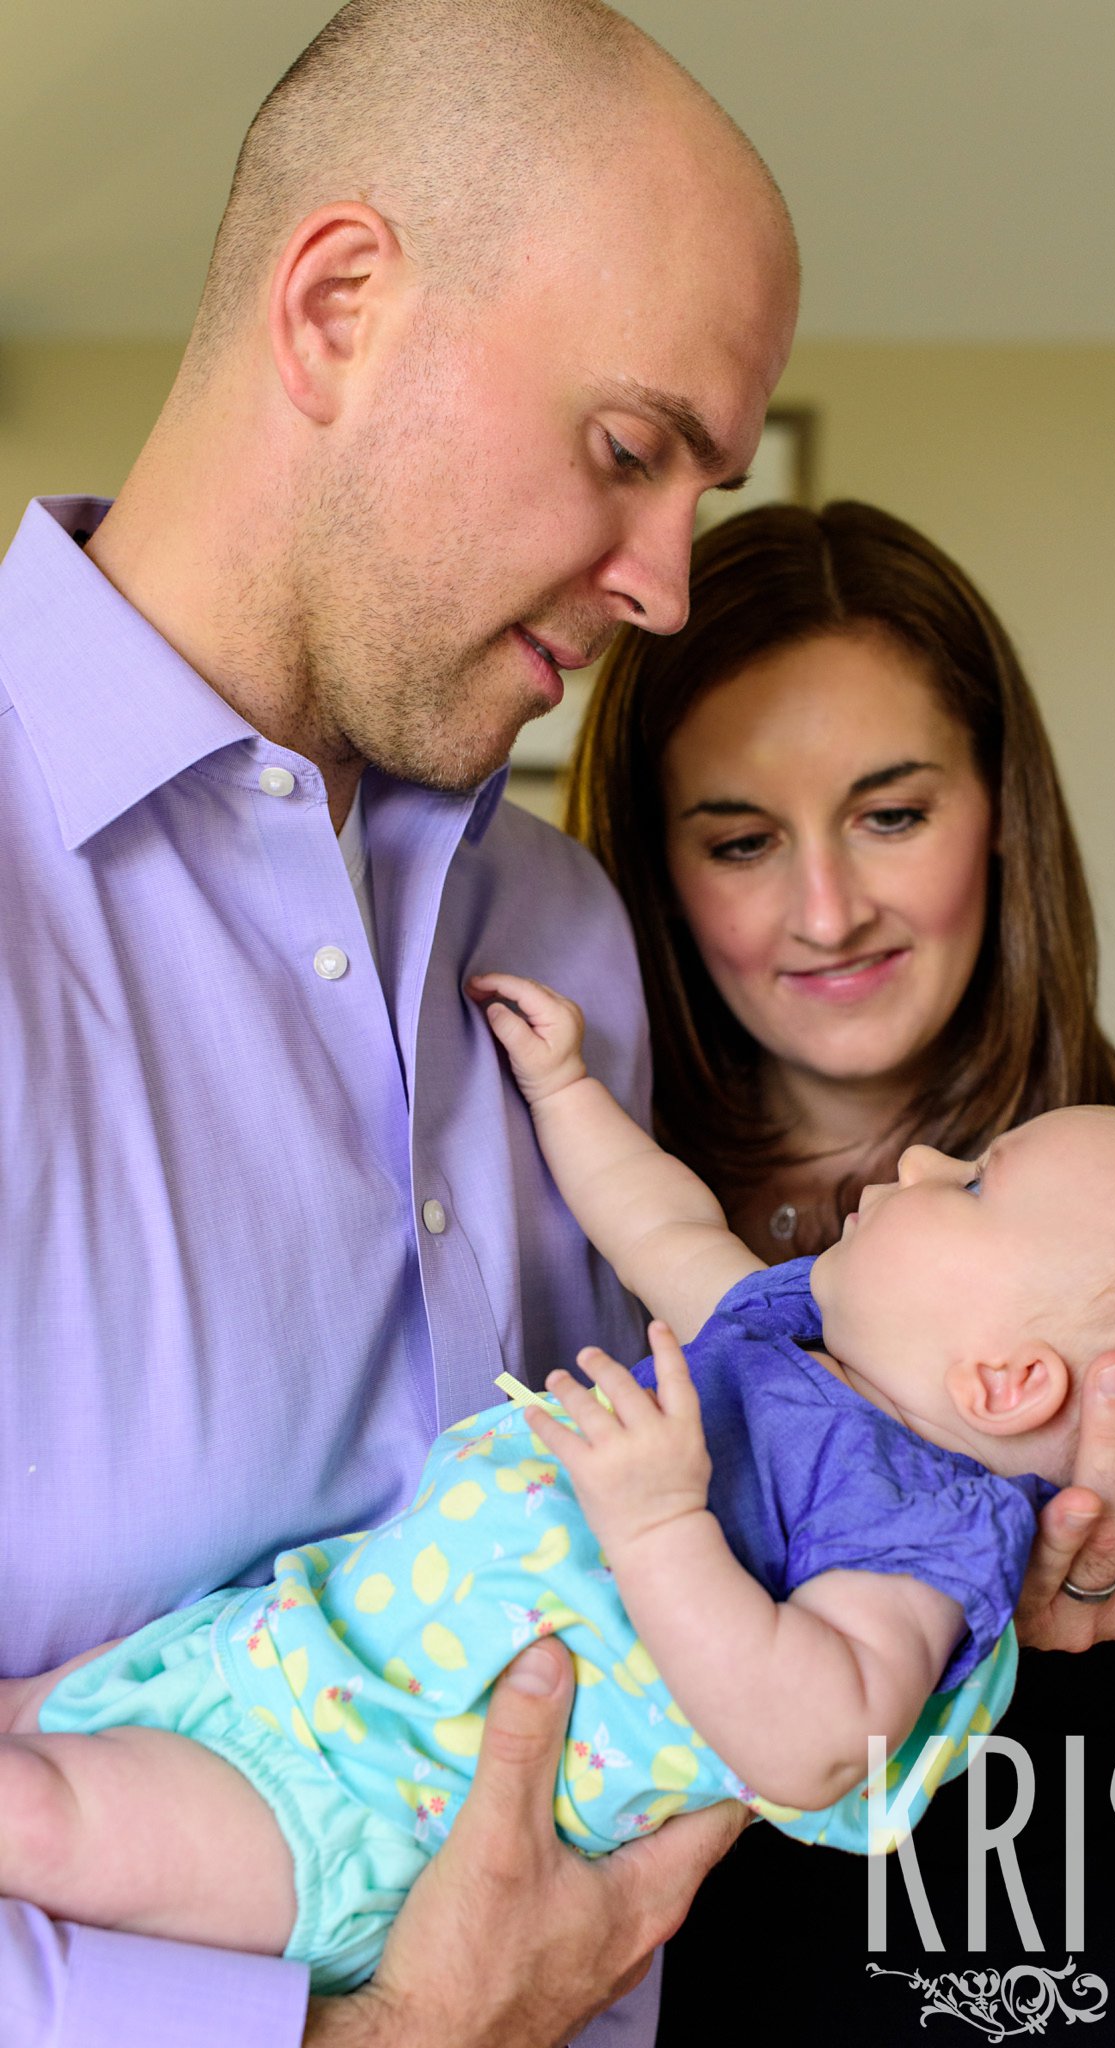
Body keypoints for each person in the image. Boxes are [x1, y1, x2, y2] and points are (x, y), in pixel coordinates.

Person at [0, 2, 803, 2044]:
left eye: (701, 486)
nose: (667, 587)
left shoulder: (561, 930)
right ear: (339, 305)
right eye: (629, 451)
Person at [2, 978, 1115, 1999]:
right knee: (35, 1717)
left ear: (1006, 1382)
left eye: (981, 1184)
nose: (926, 1161)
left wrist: (659, 1524)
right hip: (287, 1653)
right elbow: (660, 1226)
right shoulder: (789, 1343)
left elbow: (821, 1736)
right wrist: (565, 1091)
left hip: (375, 1812)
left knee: (49, 1824)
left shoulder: (919, 1538)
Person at [565, 500, 1115, 2046]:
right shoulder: (574, 1208)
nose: (826, 910)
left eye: (891, 814)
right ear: (658, 872)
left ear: (1001, 808)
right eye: (740, 840)